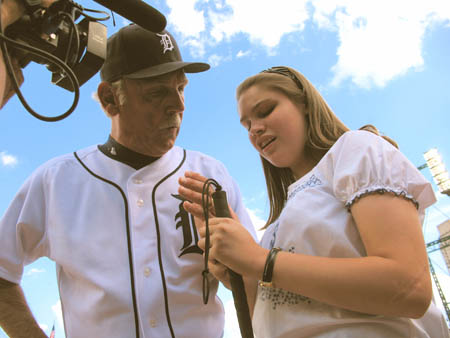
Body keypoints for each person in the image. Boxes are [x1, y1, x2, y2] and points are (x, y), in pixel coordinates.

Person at [0, 24, 255, 338]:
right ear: (110, 99)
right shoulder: (56, 180)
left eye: (181, 87)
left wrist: (234, 262)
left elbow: (252, 282)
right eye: (157, 92)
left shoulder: (212, 175)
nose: (179, 105)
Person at [179, 66, 450, 338]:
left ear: (305, 104)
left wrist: (260, 260)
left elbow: (408, 287)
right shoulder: (278, 223)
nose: (255, 129)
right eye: (247, 125)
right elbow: (271, 322)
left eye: (265, 111)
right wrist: (242, 275)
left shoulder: (354, 148)